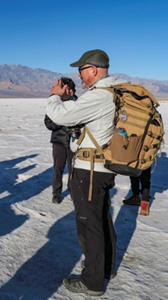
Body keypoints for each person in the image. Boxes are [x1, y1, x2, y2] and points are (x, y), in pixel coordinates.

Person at [46, 49, 127, 296]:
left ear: (93, 69)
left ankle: (92, 281)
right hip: (102, 168)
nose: (79, 75)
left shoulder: (99, 96)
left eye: (81, 69)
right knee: (102, 219)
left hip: (90, 169)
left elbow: (61, 116)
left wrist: (54, 97)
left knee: (88, 224)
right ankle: (105, 268)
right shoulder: (113, 93)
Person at [44, 77, 78, 204]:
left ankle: (73, 193)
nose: (66, 92)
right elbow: (48, 123)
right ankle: (56, 194)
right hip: (59, 142)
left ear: (72, 90)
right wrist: (63, 121)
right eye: (63, 89)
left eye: (68, 89)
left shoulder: (80, 103)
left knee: (74, 170)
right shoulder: (54, 104)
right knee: (58, 169)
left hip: (75, 142)